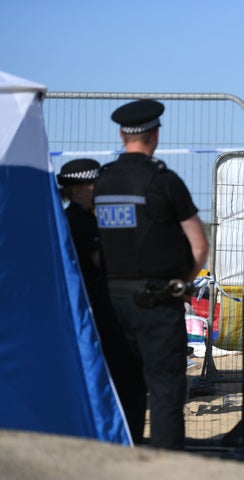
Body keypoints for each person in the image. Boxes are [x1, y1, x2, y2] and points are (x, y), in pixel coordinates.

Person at [94, 99, 209, 450]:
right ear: (155, 134)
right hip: (157, 303)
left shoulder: (102, 182)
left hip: (112, 303)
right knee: (165, 390)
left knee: (122, 388)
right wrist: (182, 283)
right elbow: (200, 247)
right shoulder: (165, 183)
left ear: (121, 134)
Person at [57, 158, 146, 444]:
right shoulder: (80, 222)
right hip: (102, 314)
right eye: (96, 184)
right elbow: (102, 261)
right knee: (127, 379)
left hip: (94, 313)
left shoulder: (74, 219)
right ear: (83, 188)